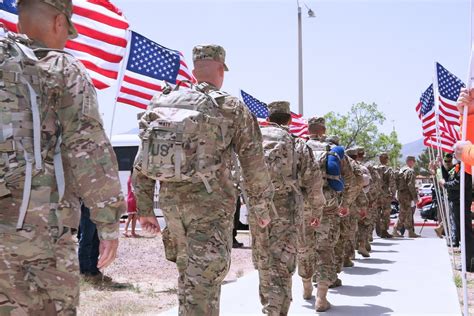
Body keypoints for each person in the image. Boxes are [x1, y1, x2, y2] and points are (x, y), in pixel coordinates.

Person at [0, 1, 125, 314]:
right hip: (39, 234)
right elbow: (89, 150)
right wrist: (108, 224)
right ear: (59, 22)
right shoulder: (61, 68)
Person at [132, 44, 273, 316]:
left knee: (189, 274)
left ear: (196, 70)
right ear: (221, 69)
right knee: (204, 281)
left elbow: (143, 161)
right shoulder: (231, 107)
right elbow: (253, 165)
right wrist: (261, 210)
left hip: (172, 208)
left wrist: (146, 208)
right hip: (210, 209)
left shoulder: (162, 101)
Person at [255, 101, 324, 315]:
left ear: (268, 118)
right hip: (287, 211)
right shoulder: (296, 144)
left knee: (264, 263)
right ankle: (275, 311)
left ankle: (268, 305)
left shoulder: (254, 140)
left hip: (258, 210)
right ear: (289, 120)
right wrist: (316, 210)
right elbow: (313, 181)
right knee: (282, 266)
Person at [305, 116, 359, 312]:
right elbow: (353, 181)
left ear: (308, 129)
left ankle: (305, 286)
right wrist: (345, 204)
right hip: (328, 206)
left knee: (304, 248)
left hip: (303, 206)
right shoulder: (334, 151)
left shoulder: (298, 146)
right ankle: (321, 297)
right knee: (325, 250)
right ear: (324, 130)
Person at [439, 157, 474, 270]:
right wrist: (441, 165)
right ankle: (466, 260)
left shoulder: (465, 168)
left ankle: (468, 263)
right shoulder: (457, 167)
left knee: (465, 233)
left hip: (461, 203)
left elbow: (458, 184)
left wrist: (445, 184)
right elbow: (448, 177)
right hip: (456, 203)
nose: (453, 157)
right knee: (460, 232)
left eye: (455, 154)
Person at [78, 202, 113, 283]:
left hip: (100, 208)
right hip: (89, 206)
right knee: (86, 240)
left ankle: (94, 271)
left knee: (96, 241)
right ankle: (84, 272)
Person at [392, 156, 419, 238]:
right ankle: (396, 229)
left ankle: (410, 231)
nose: (414, 163)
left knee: (407, 213)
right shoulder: (410, 171)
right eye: (414, 161)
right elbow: (411, 185)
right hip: (406, 195)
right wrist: (415, 197)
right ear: (410, 161)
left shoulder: (402, 170)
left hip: (401, 194)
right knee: (404, 213)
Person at [375, 152, 397, 238]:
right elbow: (392, 182)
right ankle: (384, 231)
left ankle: (373, 231)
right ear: (385, 159)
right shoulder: (388, 169)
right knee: (386, 212)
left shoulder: (374, 168)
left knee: (376, 212)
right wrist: (393, 193)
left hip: (375, 194)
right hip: (385, 194)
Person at [124, 167, 140, 238]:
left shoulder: (129, 179)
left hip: (129, 199)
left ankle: (127, 231)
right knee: (134, 217)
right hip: (134, 199)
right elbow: (135, 190)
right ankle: (131, 232)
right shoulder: (135, 179)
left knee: (131, 216)